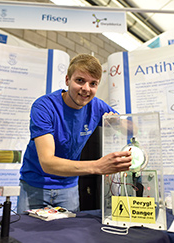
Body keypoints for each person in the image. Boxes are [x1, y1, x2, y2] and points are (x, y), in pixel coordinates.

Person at [17, 53, 132, 213]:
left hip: (68, 188)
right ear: (67, 80)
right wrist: (98, 166)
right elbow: (48, 163)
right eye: (80, 81)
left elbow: (134, 128)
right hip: (35, 185)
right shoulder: (44, 106)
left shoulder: (97, 107)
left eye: (93, 83)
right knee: (27, 237)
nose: (86, 88)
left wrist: (121, 124)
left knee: (68, 236)